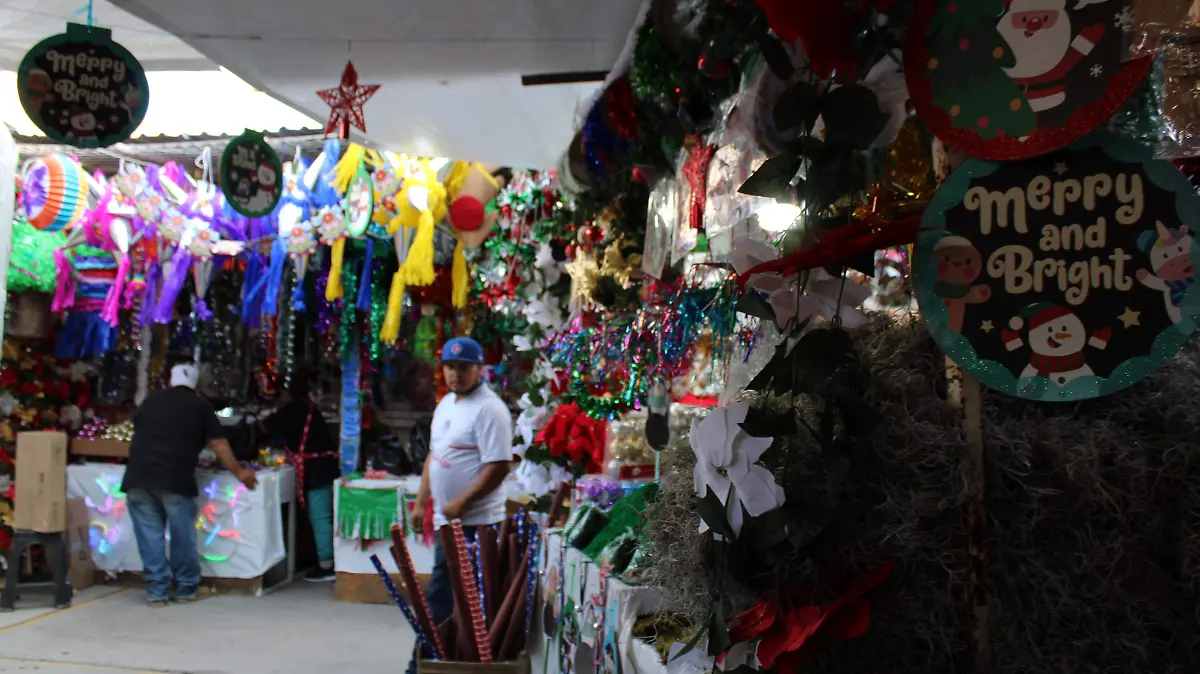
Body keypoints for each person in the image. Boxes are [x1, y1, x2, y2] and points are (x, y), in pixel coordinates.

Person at [123, 364, 258, 607]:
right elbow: (218, 444)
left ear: (169, 381)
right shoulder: (200, 405)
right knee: (182, 535)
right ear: (196, 386)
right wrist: (240, 472)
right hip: (174, 478)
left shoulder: (150, 402)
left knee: (150, 536)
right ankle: (185, 588)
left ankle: (156, 591)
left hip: (138, 477)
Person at [411, 337, 513, 625]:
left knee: (470, 600)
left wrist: (463, 502)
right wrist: (420, 504)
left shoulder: (490, 409)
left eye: (464, 367)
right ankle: (435, 650)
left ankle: (442, 650)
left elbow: (499, 466)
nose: (456, 374)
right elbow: (434, 455)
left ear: (479, 369)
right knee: (442, 596)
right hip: (448, 522)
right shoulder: (445, 404)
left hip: (477, 524)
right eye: (450, 367)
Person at [259, 375, 339, 582]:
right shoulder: (309, 408)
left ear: (288, 392)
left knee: (320, 516)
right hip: (324, 466)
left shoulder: (293, 410)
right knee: (322, 515)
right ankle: (323, 558)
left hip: (317, 470)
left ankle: (327, 564)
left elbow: (266, 427)